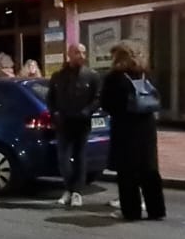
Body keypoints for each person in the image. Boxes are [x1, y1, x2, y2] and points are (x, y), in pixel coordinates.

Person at [99, 43, 167, 222]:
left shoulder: (115, 77)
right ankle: (156, 209)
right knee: (149, 169)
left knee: (127, 172)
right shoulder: (146, 74)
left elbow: (106, 103)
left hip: (126, 129)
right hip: (147, 127)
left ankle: (131, 211)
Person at [45, 43, 102, 207]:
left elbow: (97, 98)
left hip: (82, 122)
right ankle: (69, 188)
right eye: (77, 53)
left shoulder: (91, 76)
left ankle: (77, 191)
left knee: (80, 157)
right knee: (63, 158)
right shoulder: (58, 76)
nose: (81, 56)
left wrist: (88, 110)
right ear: (69, 54)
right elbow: (51, 98)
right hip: (64, 122)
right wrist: (55, 112)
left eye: (83, 53)